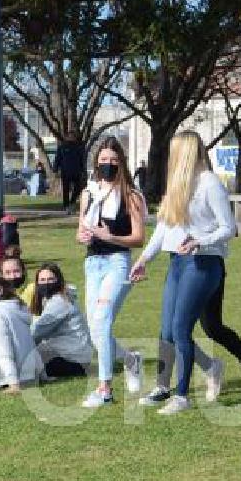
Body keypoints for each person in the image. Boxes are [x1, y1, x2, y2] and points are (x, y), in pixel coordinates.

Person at [130, 130, 241, 415]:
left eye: (174, 152)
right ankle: (163, 388)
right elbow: (163, 229)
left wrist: (200, 241)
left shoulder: (210, 184)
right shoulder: (177, 185)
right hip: (177, 263)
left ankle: (183, 395)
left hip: (204, 264)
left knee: (186, 329)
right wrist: (143, 259)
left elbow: (229, 228)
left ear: (185, 153)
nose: (170, 158)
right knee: (171, 328)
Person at [77, 137, 145, 407]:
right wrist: (83, 236)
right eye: (103, 160)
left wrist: (111, 236)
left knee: (102, 320)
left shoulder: (131, 195)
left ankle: (104, 389)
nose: (108, 165)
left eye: (114, 161)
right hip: (92, 263)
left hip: (117, 261)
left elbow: (139, 238)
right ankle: (130, 359)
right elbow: (80, 230)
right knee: (94, 328)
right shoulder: (88, 193)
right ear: (96, 162)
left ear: (122, 164)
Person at [0, 274, 38, 392]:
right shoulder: (19, 306)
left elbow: (3, 349)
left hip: (1, 378)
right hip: (29, 373)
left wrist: (13, 384)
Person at [30, 263, 93, 378]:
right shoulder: (55, 298)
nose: (46, 283)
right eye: (42, 280)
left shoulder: (59, 302)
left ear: (58, 280)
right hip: (73, 354)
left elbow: (36, 333)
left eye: (50, 279)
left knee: (25, 366)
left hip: (73, 360)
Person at [52, 140, 85, 213]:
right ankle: (66, 206)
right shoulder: (62, 148)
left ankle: (72, 202)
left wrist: (83, 170)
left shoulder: (78, 148)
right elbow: (57, 159)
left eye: (73, 136)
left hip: (76, 171)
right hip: (65, 171)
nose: (71, 137)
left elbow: (82, 160)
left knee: (78, 188)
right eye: (69, 135)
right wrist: (55, 169)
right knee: (66, 189)